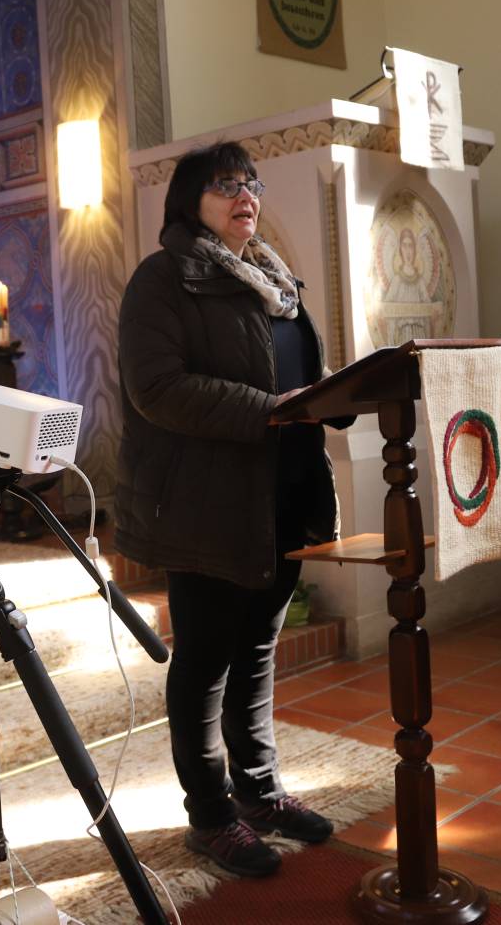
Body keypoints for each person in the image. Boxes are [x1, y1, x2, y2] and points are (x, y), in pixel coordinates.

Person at [115, 141, 352, 878]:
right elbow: (156, 388)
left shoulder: (272, 279)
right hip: (204, 500)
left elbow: (296, 377)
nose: (245, 194)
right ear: (190, 202)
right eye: (226, 185)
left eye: (250, 183)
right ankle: (211, 814)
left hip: (279, 493)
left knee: (255, 651)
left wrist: (331, 397)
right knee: (206, 661)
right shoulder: (163, 280)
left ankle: (261, 794)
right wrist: (272, 409)